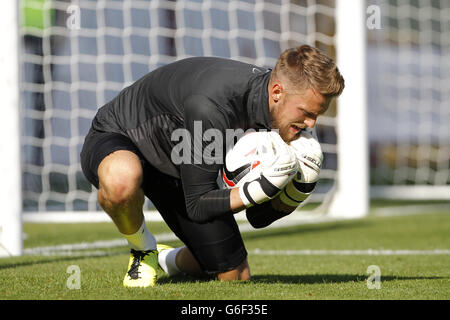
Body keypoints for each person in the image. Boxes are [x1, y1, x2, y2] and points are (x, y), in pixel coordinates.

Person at [80, 45, 345, 287]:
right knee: (121, 180)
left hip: (179, 158)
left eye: (316, 115)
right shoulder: (213, 106)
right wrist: (258, 189)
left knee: (235, 275)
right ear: (277, 92)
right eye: (307, 113)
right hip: (126, 136)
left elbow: (257, 218)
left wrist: (293, 194)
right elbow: (197, 203)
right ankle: (143, 249)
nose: (311, 124)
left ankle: (165, 259)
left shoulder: (276, 114)